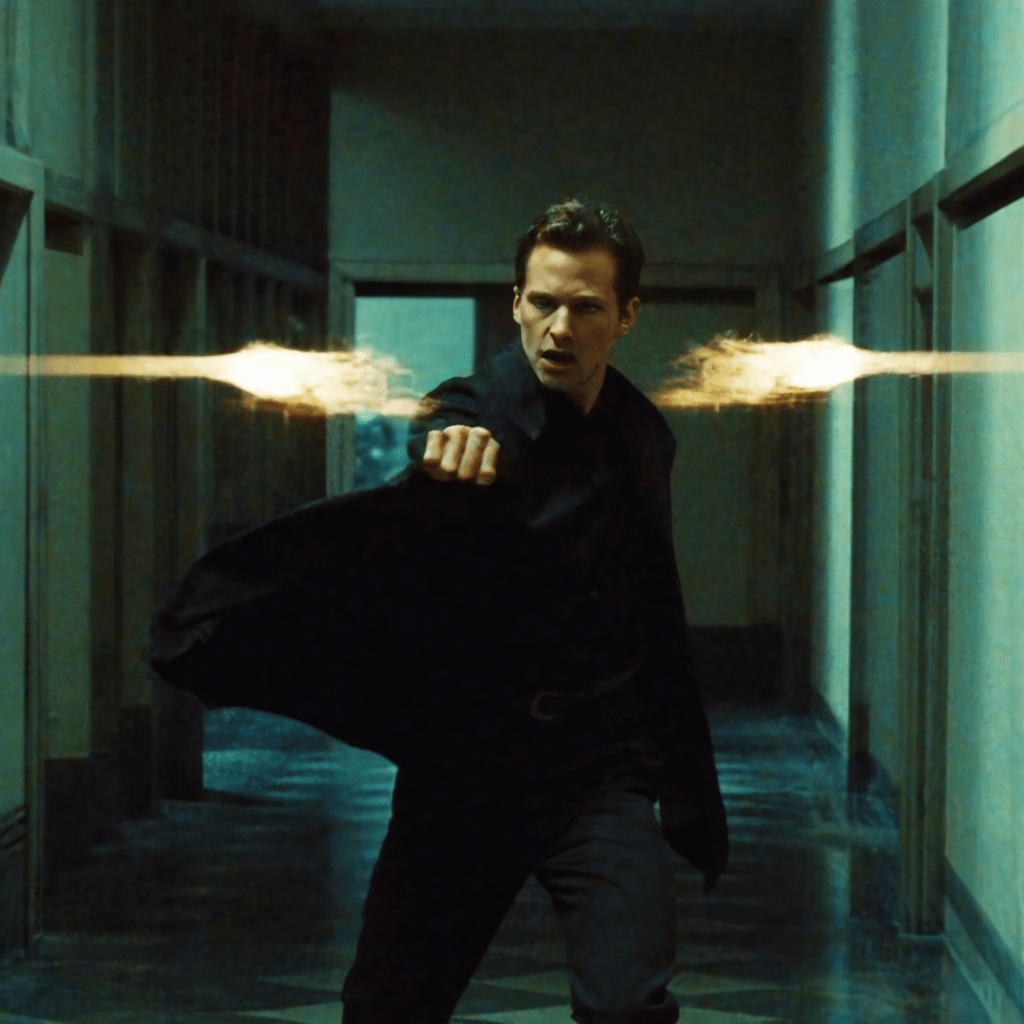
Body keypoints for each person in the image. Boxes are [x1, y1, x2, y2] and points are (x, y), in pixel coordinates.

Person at [338, 199, 728, 1024]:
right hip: (469, 767)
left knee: (628, 1008)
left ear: (625, 316)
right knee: (388, 1006)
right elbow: (448, 425)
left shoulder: (640, 432)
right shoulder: (473, 409)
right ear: (516, 301)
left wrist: (676, 767)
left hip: (598, 767)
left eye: (586, 308)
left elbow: (654, 603)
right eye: (543, 303)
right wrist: (447, 452)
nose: (559, 328)